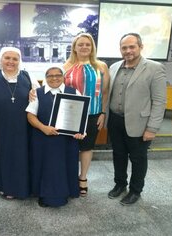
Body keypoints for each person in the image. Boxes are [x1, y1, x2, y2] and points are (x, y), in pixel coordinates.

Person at [107, 33, 167, 205]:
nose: (128, 51)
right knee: (118, 155)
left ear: (141, 46)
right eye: (124, 47)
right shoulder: (114, 67)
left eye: (132, 46)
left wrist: (152, 128)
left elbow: (159, 101)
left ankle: (135, 190)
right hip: (115, 121)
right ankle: (120, 184)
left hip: (140, 124)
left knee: (138, 158)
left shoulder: (155, 68)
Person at [26, 67, 85, 207]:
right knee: (44, 166)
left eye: (58, 75)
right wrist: (44, 128)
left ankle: (67, 192)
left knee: (65, 165)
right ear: (45, 77)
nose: (54, 78)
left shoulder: (73, 92)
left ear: (63, 77)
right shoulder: (37, 93)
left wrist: (81, 130)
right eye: (50, 76)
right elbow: (30, 115)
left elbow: (81, 114)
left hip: (67, 140)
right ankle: (43, 195)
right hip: (43, 138)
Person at [0, 47, 40, 199]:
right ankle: (6, 187)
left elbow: (39, 95)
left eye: (15, 58)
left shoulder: (28, 77)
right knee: (3, 156)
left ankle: (25, 187)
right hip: (1, 126)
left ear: (19, 61)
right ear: (1, 59)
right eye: (7, 58)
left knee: (24, 156)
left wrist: (35, 93)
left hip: (24, 127)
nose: (11, 61)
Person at [63, 33, 110, 196]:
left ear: (92, 48)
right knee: (69, 147)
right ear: (74, 48)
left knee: (86, 147)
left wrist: (103, 113)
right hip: (71, 115)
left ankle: (83, 177)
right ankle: (68, 178)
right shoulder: (66, 66)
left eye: (87, 44)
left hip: (93, 113)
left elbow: (105, 92)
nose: (84, 47)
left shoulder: (101, 66)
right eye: (80, 44)